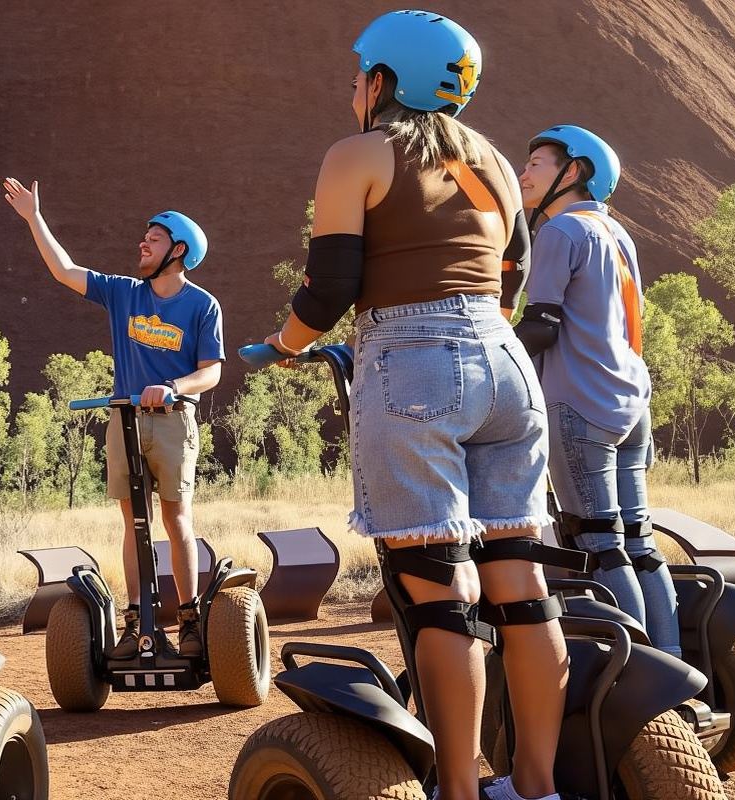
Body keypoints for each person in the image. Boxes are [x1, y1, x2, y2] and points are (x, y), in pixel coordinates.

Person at [256, 11, 565, 800]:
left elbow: (329, 288)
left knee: (439, 591)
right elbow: (512, 274)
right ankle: (535, 786)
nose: (353, 87)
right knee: (518, 585)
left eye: (361, 73)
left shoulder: (356, 153)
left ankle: (457, 790)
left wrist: (285, 345)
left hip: (414, 363)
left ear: (385, 80)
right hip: (504, 367)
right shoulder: (492, 160)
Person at [3, 178, 224, 658]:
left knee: (175, 516)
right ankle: (138, 621)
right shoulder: (124, 293)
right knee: (133, 520)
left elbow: (211, 373)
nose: (143, 243)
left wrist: (173, 388)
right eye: (144, 237)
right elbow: (64, 271)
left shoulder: (202, 305)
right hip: (124, 419)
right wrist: (33, 217)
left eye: (155, 238)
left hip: (171, 420)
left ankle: (188, 620)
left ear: (179, 250)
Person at [516, 125, 679, 657]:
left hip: (581, 405)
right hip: (631, 402)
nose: (525, 171)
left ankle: (639, 678)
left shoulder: (560, 233)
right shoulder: (616, 234)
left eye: (537, 162)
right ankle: (671, 662)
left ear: (575, 172)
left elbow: (541, 326)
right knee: (640, 544)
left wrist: (491, 355)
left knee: (601, 546)